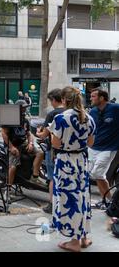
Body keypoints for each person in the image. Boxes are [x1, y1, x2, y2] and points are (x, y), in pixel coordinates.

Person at [49, 86, 96, 252]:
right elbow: (90, 143)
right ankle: (83, 238)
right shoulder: (89, 118)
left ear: (64, 100)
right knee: (82, 197)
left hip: (65, 162)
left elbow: (55, 144)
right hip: (82, 161)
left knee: (70, 198)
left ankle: (74, 242)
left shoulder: (61, 118)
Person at [1, 100, 45, 194]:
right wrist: (11, 147)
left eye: (25, 107)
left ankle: (34, 177)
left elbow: (29, 134)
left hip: (23, 143)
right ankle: (8, 189)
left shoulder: (25, 120)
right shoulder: (9, 119)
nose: (25, 109)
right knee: (13, 166)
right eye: (23, 107)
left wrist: (30, 144)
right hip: (12, 145)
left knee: (40, 153)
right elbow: (4, 134)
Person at [88, 87, 119, 207]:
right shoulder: (93, 111)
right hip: (93, 147)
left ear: (102, 98)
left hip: (109, 148)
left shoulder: (115, 108)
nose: (91, 98)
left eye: (93, 96)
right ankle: (106, 200)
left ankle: (110, 201)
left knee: (97, 173)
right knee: (95, 174)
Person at [36, 89, 65, 214]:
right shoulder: (70, 112)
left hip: (53, 150)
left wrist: (38, 132)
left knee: (52, 178)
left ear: (54, 100)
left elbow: (43, 135)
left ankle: (52, 204)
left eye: (50, 101)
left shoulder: (53, 114)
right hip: (68, 152)